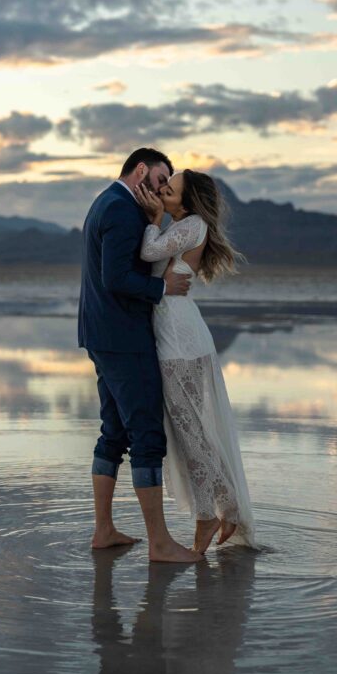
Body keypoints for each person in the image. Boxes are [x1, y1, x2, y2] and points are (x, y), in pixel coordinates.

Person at [78, 148, 202, 563]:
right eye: (161, 178)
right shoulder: (120, 209)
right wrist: (162, 289)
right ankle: (160, 544)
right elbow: (115, 278)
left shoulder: (106, 202)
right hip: (123, 337)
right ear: (142, 170)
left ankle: (104, 530)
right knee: (147, 435)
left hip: (103, 333)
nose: (163, 187)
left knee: (113, 431)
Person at [134, 169, 258, 551]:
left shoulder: (191, 225)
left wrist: (153, 221)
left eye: (168, 190)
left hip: (181, 342)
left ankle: (213, 515)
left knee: (192, 435)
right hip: (179, 336)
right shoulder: (186, 225)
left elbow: (148, 252)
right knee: (193, 435)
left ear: (185, 202)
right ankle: (223, 509)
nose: (160, 192)